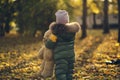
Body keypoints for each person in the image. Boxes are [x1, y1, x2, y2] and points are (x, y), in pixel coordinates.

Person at [45, 10, 80, 80]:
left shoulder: (56, 33)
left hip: (60, 57)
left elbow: (49, 45)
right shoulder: (72, 32)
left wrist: (46, 40)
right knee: (69, 73)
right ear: (67, 20)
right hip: (71, 56)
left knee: (60, 73)